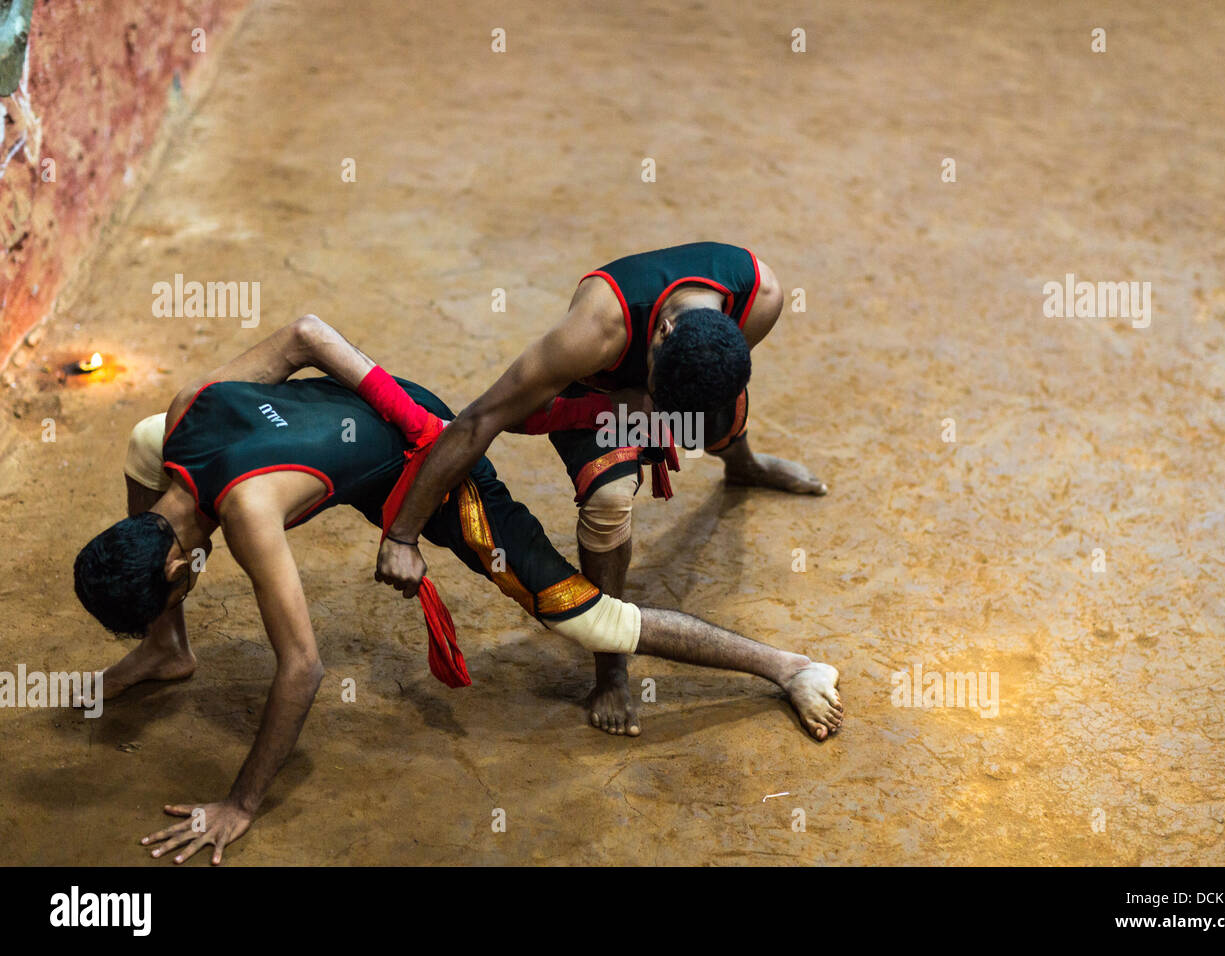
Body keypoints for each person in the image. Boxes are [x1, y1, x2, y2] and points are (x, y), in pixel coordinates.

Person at [73, 316, 843, 864]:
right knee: (144, 444)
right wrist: (379, 397)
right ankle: (167, 651)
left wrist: (238, 805)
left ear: (180, 572)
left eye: (173, 596)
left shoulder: (246, 514)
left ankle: (789, 667)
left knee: (584, 619)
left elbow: (302, 669)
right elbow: (306, 335)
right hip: (373, 411)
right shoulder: (182, 417)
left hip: (434, 465)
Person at [376, 242, 828, 735]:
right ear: (662, 332)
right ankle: (610, 666)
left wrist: (671, 410)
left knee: (716, 412)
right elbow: (478, 421)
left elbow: (709, 384)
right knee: (609, 501)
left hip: (684, 381)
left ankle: (742, 464)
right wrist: (402, 534)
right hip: (595, 392)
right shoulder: (592, 333)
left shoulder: (761, 299)